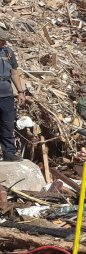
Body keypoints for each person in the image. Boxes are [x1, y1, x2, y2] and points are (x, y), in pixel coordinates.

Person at [0, 28, 25, 162]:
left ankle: (9, 153)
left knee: (7, 125)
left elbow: (14, 73)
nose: (4, 42)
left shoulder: (8, 53)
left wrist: (20, 92)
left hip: (6, 95)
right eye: (1, 40)